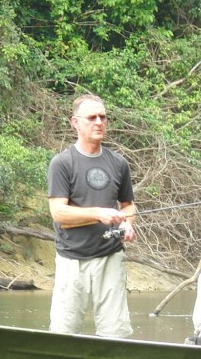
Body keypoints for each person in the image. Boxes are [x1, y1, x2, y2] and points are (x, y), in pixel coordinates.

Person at [47, 94, 136, 338]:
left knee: (115, 334)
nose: (99, 122)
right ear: (75, 122)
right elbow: (58, 213)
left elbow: (128, 206)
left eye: (103, 117)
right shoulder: (62, 163)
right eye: (92, 117)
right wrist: (98, 213)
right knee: (63, 334)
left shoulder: (119, 163)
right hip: (71, 259)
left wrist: (127, 223)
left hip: (110, 257)